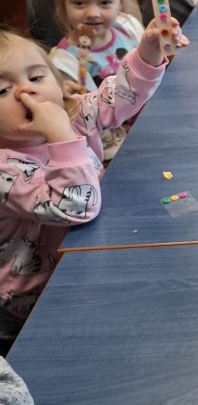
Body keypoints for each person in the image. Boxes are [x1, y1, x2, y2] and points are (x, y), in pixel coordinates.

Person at [0, 20, 180, 350]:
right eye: (3, 90)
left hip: (87, 255)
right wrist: (61, 137)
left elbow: (118, 98)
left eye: (36, 78)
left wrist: (148, 53)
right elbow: (74, 206)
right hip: (31, 299)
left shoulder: (72, 113)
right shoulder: (6, 170)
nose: (26, 92)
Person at [49, 0, 144, 92]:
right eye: (79, 3)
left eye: (104, 2)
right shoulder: (63, 64)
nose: (93, 13)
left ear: (120, 3)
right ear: (63, 6)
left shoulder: (129, 27)